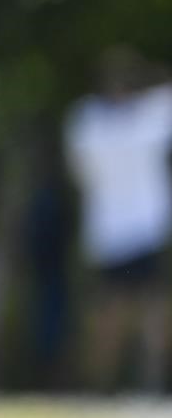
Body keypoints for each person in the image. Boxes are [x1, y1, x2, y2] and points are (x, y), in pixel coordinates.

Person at [64, 45, 172, 393]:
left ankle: (146, 382)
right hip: (113, 233)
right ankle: (106, 384)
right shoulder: (98, 122)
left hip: (139, 230)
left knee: (150, 310)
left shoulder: (91, 122)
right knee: (112, 312)